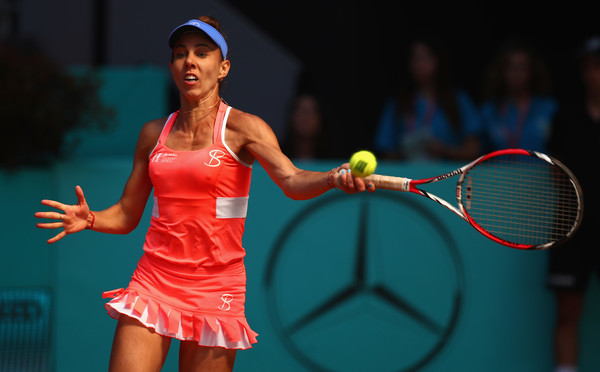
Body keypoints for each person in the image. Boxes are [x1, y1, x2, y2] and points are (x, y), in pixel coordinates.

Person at [34, 16, 373, 372]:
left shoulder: (244, 127)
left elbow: (291, 179)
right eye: (180, 54)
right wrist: (89, 218)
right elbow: (126, 214)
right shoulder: (153, 134)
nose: (189, 61)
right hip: (154, 279)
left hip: (217, 286)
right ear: (172, 67)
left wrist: (332, 178)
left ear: (223, 67)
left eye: (202, 52)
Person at [546, 35, 600, 372]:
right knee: (567, 311)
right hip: (572, 227)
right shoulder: (565, 118)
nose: (596, 73)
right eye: (591, 66)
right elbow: (556, 171)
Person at [373, 34, 482, 161]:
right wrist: (407, 151)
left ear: (438, 61)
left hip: (449, 176)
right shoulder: (398, 103)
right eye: (415, 58)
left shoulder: (458, 100)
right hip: (407, 175)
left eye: (426, 57)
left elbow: (474, 150)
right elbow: (386, 151)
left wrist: (444, 150)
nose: (419, 64)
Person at [480, 39, 557, 153]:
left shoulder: (550, 108)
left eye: (522, 67)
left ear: (532, 71)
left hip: (539, 171)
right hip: (499, 171)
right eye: (510, 67)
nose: (516, 73)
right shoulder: (488, 111)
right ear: (501, 71)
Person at [280, 92, 332, 160]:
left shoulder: (334, 157)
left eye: (312, 111)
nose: (305, 117)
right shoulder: (278, 154)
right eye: (301, 111)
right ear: (291, 116)